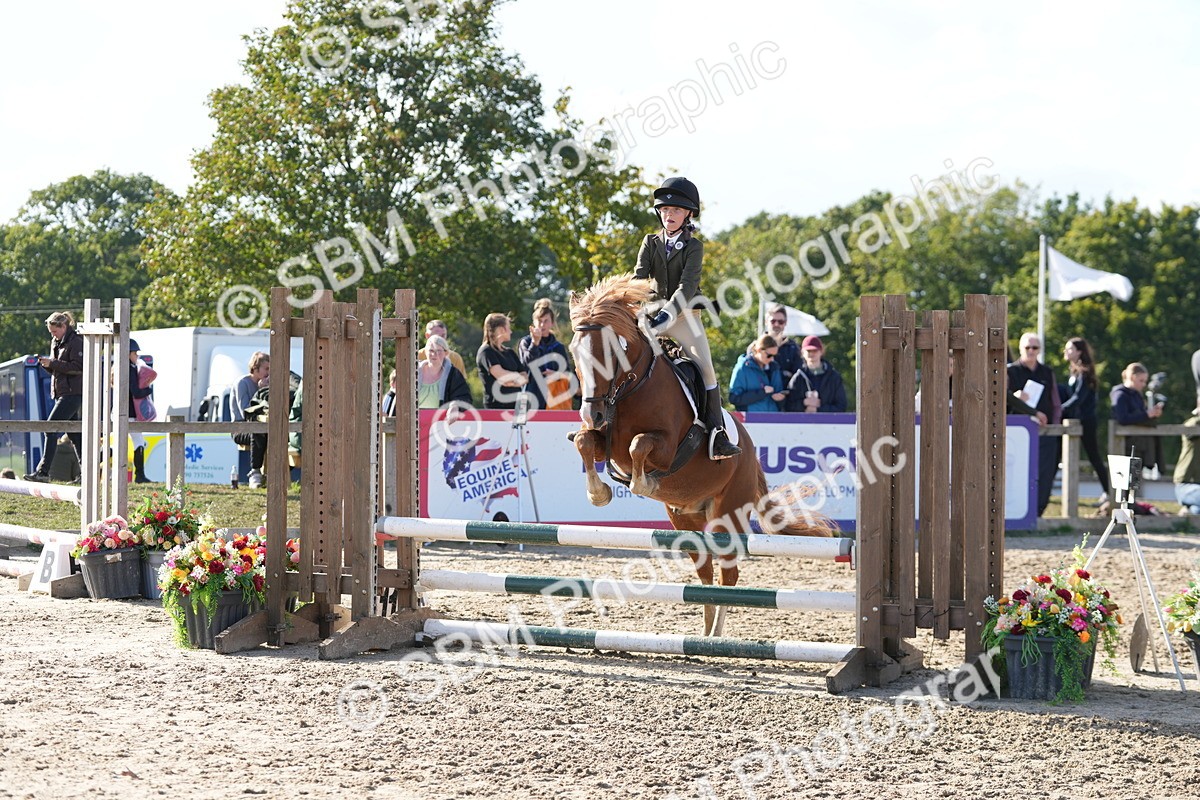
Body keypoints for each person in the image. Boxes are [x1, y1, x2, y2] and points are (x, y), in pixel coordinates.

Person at [634, 176, 739, 458]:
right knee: (619, 353)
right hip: (652, 315)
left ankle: (717, 434)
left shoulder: (694, 247)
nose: (669, 215)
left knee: (706, 369)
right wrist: (634, 307)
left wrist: (668, 313)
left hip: (684, 317)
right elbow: (639, 278)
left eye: (676, 210)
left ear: (688, 214)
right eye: (665, 210)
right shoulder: (650, 242)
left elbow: (687, 285)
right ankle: (602, 421)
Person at [24, 312, 84, 483]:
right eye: (51, 332)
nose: (53, 335)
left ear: (63, 326)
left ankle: (43, 472)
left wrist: (53, 363)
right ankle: (86, 474)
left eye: (54, 331)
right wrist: (47, 365)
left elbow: (78, 367)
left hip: (72, 393)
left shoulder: (76, 341)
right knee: (74, 435)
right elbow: (59, 369)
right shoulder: (56, 342)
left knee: (50, 428)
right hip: (62, 393)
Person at [1008, 332, 1061, 516]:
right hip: (1019, 433)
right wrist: (1016, 397)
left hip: (1045, 431)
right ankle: (1018, 513)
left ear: (1039, 350)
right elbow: (1003, 400)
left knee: (1045, 473)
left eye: (1035, 347)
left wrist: (1055, 426)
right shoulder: (1011, 371)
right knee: (1018, 472)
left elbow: (1055, 402)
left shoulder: (1047, 372)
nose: (1031, 351)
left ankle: (1039, 512)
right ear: (1020, 349)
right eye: (1027, 347)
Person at [1059, 337, 1110, 504]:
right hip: (1074, 421)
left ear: (1079, 352)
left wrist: (1059, 409)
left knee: (1093, 456)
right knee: (1060, 454)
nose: (1066, 351)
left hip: (1086, 421)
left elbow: (1078, 398)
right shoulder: (1073, 372)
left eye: (1070, 349)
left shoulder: (1085, 373)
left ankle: (1108, 492)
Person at [1111, 362, 1165, 479]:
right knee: (1125, 480)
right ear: (1132, 377)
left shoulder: (1137, 395)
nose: (1144, 384)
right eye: (1141, 381)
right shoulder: (1120, 395)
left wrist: (1153, 414)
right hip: (1125, 445)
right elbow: (1122, 418)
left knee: (1135, 481)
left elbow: (1142, 416)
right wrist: (1146, 414)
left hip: (1140, 444)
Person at [518, 298, 573, 411]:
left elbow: (568, 375)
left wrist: (557, 375)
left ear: (552, 323)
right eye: (539, 320)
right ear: (534, 322)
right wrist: (535, 343)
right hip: (530, 400)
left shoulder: (558, 347)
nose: (542, 324)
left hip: (554, 402)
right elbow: (526, 365)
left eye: (546, 321)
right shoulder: (526, 342)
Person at [476, 313, 530, 410]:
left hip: (517, 405)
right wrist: (516, 378)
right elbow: (502, 376)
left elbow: (525, 377)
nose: (511, 331)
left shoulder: (510, 352)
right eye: (508, 328)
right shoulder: (486, 352)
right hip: (497, 407)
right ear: (501, 330)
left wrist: (511, 381)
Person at [232, 352, 270, 489]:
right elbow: (245, 411)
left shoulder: (267, 384)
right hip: (240, 428)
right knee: (258, 432)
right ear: (255, 368)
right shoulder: (242, 383)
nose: (268, 373)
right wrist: (260, 391)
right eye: (266, 369)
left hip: (263, 426)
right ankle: (255, 472)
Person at [783, 336, 848, 413]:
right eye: (808, 351)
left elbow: (841, 406)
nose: (811, 353)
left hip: (828, 421)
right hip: (803, 420)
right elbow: (788, 406)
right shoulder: (797, 377)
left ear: (821, 351)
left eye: (815, 350)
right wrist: (804, 403)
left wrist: (818, 409)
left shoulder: (833, 377)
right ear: (802, 353)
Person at [729, 334, 786, 412]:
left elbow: (778, 393)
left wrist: (781, 399)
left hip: (773, 417)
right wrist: (762, 393)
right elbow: (734, 398)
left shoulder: (774, 367)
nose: (772, 359)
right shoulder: (743, 368)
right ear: (759, 350)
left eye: (774, 356)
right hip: (750, 418)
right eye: (769, 355)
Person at [127, 339, 155, 484]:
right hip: (130, 413)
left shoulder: (116, 368)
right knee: (139, 442)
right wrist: (148, 390)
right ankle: (140, 475)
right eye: (135, 353)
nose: (136, 356)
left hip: (117, 412)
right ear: (128, 353)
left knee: (114, 444)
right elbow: (136, 392)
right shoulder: (130, 369)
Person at [419, 335, 472, 410]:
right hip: (413, 417)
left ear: (446, 353)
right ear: (425, 352)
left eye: (438, 351)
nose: (434, 354)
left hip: (442, 417)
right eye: (431, 350)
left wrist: (455, 406)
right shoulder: (413, 373)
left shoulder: (453, 374)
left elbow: (464, 397)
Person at [765, 304, 801, 383]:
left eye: (780, 322)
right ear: (766, 322)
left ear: (785, 323)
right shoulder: (756, 347)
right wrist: (785, 374)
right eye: (773, 321)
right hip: (763, 390)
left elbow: (798, 377)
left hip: (787, 390)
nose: (776, 324)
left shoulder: (793, 348)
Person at [1174, 410, 1200, 515]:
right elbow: (1188, 430)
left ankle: (1188, 512)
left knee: (1196, 511)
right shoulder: (1193, 423)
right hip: (1185, 484)